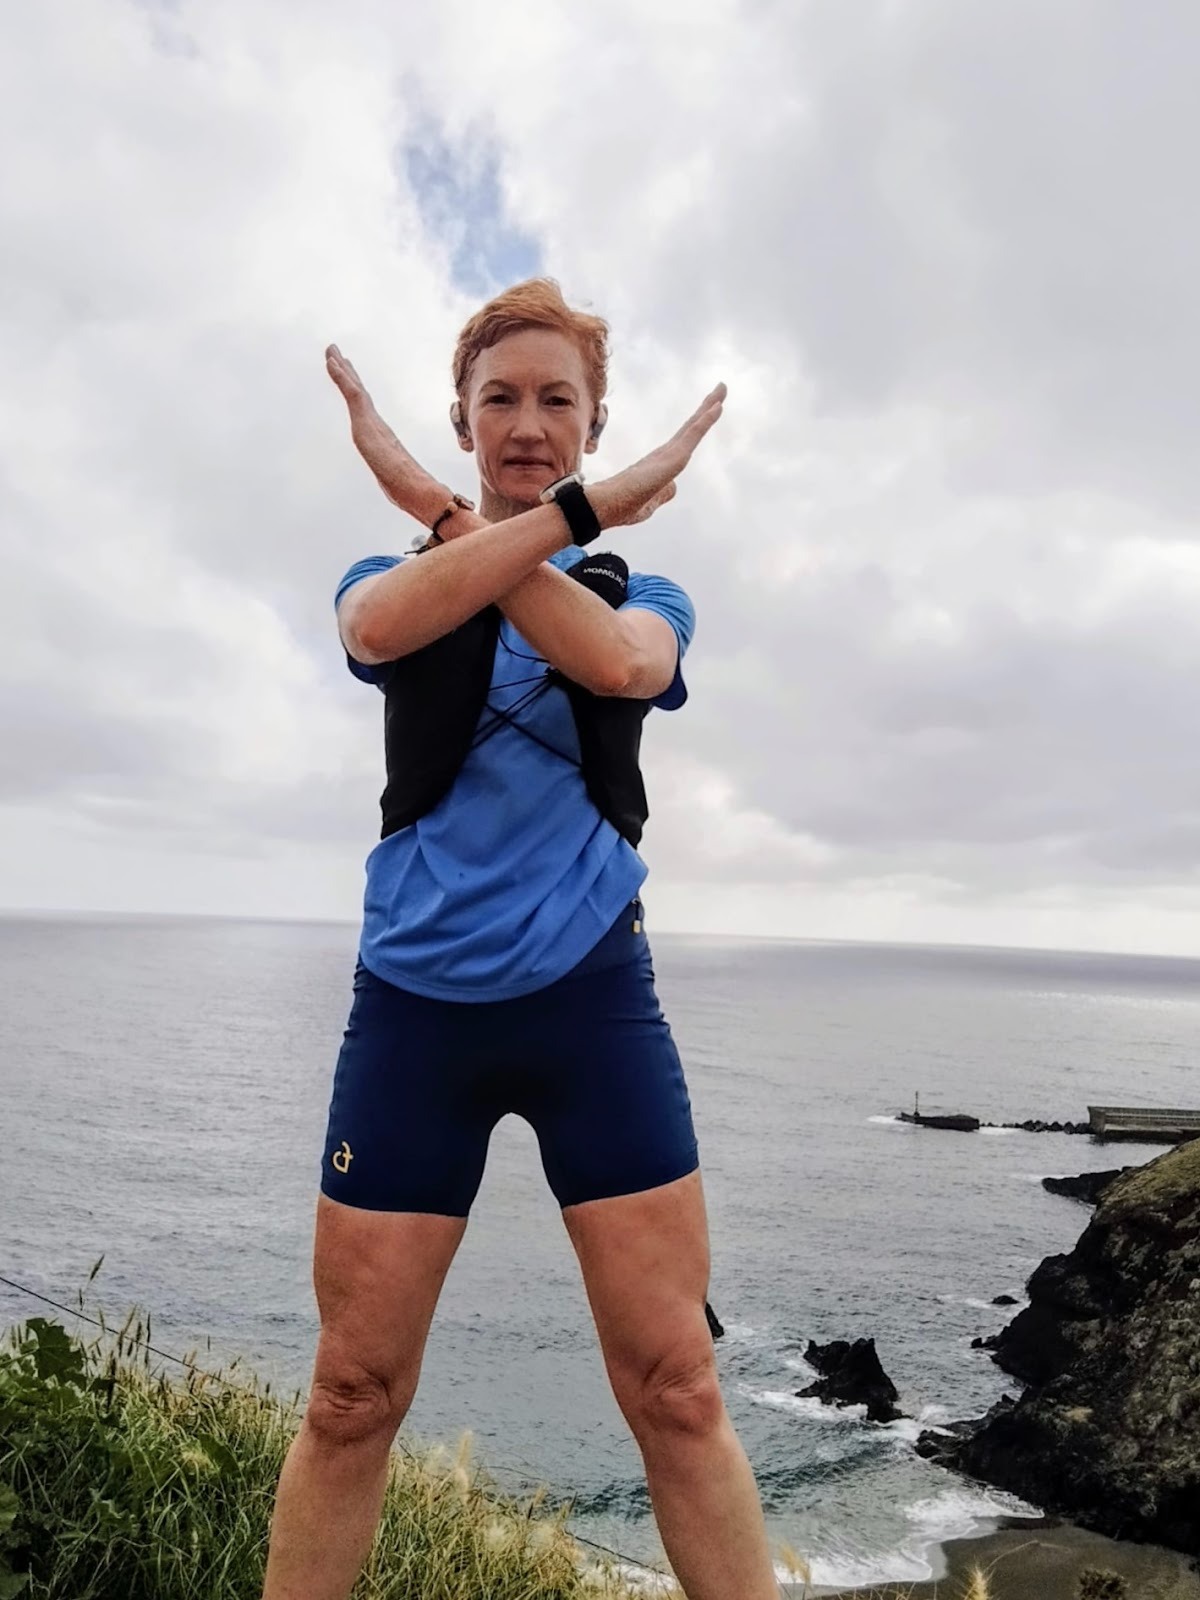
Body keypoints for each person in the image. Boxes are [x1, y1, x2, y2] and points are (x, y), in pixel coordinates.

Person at [261, 279, 780, 1600]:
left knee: (676, 1389)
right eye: (503, 398)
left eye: (559, 400)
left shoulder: (647, 585)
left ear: (593, 424)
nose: (530, 421)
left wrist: (479, 517)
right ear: (465, 419)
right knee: (352, 1395)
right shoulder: (390, 578)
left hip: (592, 1007)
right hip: (414, 1015)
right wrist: (489, 525)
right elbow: (380, 629)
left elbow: (618, 665)